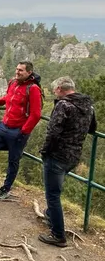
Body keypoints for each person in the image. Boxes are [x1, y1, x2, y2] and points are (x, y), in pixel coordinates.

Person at [39, 77, 96, 247]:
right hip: (74, 156)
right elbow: (92, 128)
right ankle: (51, 215)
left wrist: (45, 151)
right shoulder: (88, 106)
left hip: (57, 155)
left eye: (55, 89)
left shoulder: (63, 105)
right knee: (55, 191)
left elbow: (53, 132)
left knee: (52, 195)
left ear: (59, 89)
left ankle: (58, 235)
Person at [0, 61, 42, 201]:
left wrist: (23, 132)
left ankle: (5, 189)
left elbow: (36, 114)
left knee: (13, 161)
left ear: (29, 72)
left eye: (21, 70)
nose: (17, 72)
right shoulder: (13, 83)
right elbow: (8, 98)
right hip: (4, 127)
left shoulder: (33, 89)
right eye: (17, 69)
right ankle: (14, 148)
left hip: (18, 131)